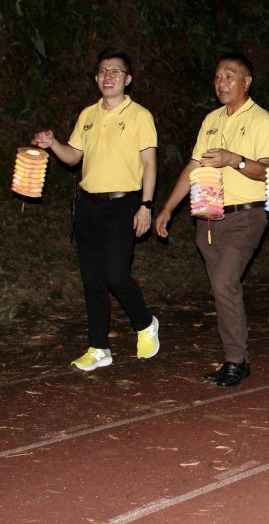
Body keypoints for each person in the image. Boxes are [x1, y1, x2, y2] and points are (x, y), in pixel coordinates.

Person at [154, 53, 269, 388]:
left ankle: (236, 361)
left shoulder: (260, 120)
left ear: (246, 81)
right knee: (222, 289)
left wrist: (234, 160)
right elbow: (193, 168)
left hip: (247, 215)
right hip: (208, 215)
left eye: (230, 76)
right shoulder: (210, 120)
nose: (222, 83)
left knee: (224, 284)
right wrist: (167, 208)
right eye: (218, 76)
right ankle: (237, 356)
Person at [32, 49, 160, 371]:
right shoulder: (87, 115)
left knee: (116, 273)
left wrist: (146, 205)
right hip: (88, 206)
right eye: (103, 71)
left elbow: (149, 163)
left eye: (115, 71)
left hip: (123, 204)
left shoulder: (140, 116)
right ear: (96, 78)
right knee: (92, 279)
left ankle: (145, 323)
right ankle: (99, 347)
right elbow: (73, 157)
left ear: (127, 80)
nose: (108, 76)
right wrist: (52, 144)